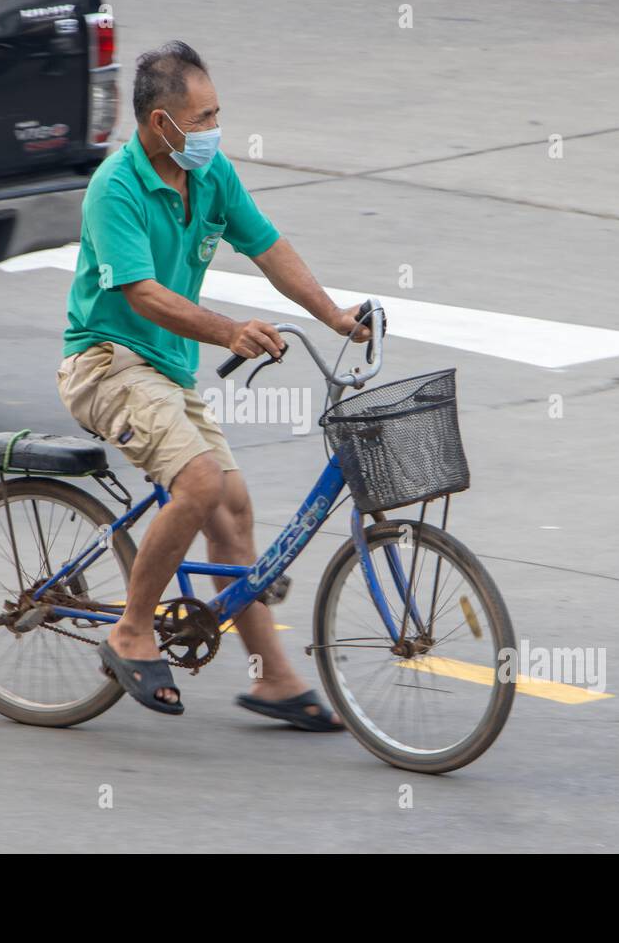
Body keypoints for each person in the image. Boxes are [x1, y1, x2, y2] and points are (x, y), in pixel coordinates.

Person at [57, 41, 369, 729]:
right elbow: (142, 296)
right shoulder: (116, 187)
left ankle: (276, 679)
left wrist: (335, 316)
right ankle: (131, 631)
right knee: (199, 483)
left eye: (217, 115)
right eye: (202, 119)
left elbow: (268, 246)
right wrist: (229, 332)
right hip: (107, 363)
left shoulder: (210, 174)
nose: (213, 130)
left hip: (167, 371)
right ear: (159, 123)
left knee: (232, 510)